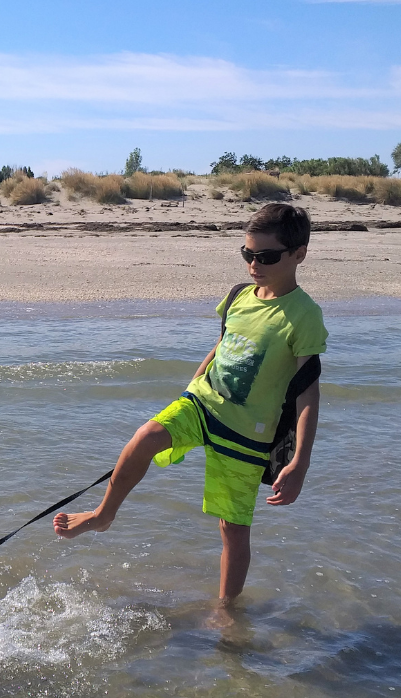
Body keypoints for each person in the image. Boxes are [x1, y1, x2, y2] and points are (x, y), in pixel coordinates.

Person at [54, 203, 327, 614]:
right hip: (202, 403)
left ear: (299, 254)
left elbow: (308, 394)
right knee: (147, 435)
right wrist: (192, 387)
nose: (255, 265)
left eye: (267, 257)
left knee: (232, 529)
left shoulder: (304, 316)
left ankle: (226, 611)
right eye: (247, 254)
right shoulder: (239, 295)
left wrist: (300, 462)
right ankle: (103, 514)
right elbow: (222, 345)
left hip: (246, 435)